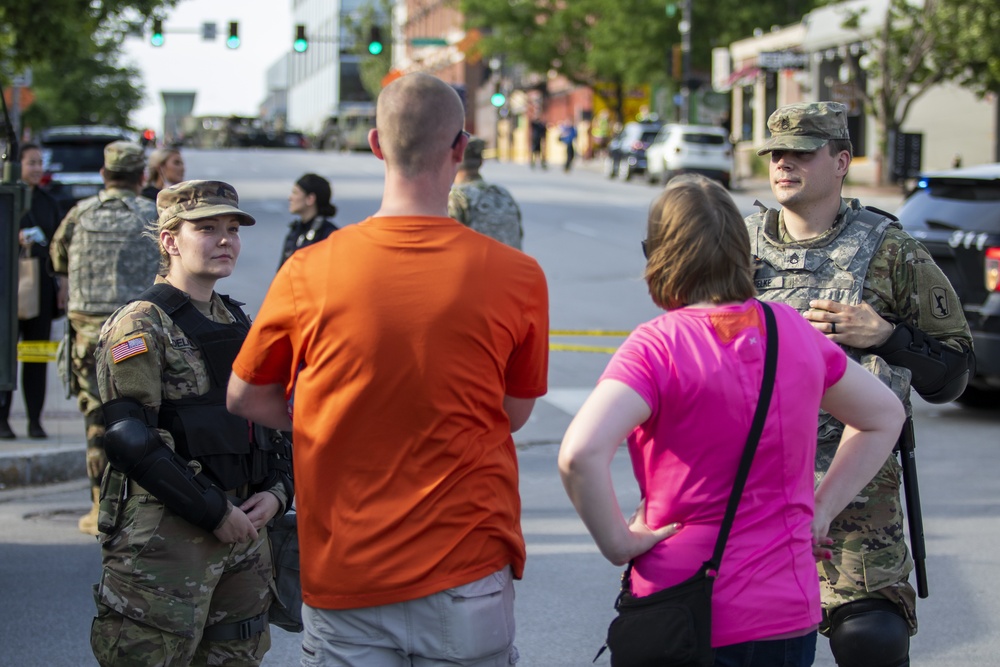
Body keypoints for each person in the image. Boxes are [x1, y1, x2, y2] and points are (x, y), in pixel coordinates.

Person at [227, 72, 549, 666]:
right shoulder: (517, 275)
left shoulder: (307, 270)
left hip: (346, 570)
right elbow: (514, 411)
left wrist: (324, 413)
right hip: (467, 567)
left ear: (375, 144)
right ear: (459, 149)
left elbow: (246, 396)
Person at [559, 175, 906, 667]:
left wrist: (620, 543)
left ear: (661, 255)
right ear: (742, 253)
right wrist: (821, 509)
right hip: (785, 608)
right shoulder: (791, 330)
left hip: (682, 600)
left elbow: (579, 453)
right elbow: (884, 415)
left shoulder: (659, 345)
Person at [747, 102, 975, 667]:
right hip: (755, 484)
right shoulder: (736, 244)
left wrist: (888, 337)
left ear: (842, 160)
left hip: (858, 493)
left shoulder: (890, 249)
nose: (784, 163)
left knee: (870, 639)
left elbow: (953, 373)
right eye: (776, 153)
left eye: (802, 151)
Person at [89, 180, 292, 666]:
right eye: (207, 228)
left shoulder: (239, 322)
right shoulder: (141, 324)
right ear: (170, 240)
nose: (226, 240)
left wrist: (279, 489)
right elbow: (130, 439)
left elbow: (273, 421)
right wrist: (214, 512)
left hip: (245, 536)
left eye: (232, 229)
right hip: (168, 543)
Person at [50, 141, 160, 535]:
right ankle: (144, 506)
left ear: (103, 174)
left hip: (87, 335)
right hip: (138, 334)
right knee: (145, 416)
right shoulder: (153, 214)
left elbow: (58, 258)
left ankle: (100, 506)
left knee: (98, 421)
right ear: (141, 177)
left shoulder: (79, 214)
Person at [0, 143, 62, 440]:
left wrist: (62, 286)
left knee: (36, 357)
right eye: (31, 163)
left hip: (41, 288)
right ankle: (2, 420)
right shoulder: (5, 198)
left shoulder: (49, 202)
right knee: (5, 356)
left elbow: (59, 246)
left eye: (40, 163)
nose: (37, 169)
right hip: (7, 290)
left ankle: (35, 421)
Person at [448, 136, 524, 249]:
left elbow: (448, 244)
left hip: (478, 265)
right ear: (481, 162)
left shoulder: (457, 197)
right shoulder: (503, 194)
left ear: (454, 161)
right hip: (514, 264)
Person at [278, 173, 338, 268]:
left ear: (310, 199)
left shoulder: (329, 235)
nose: (290, 198)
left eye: (295, 193)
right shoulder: (295, 231)